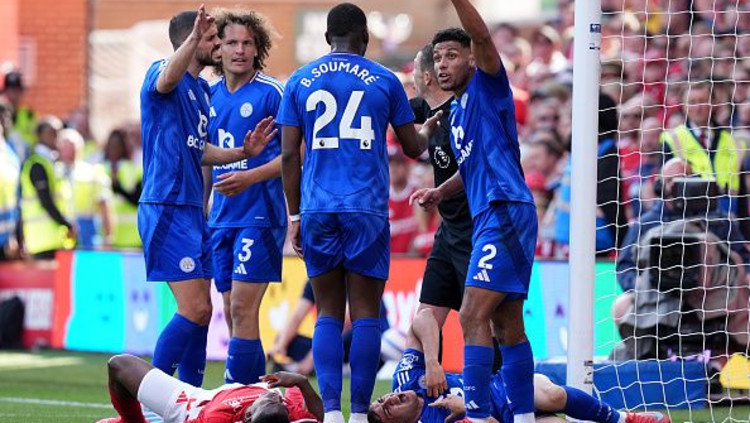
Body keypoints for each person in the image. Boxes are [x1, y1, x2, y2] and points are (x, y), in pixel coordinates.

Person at [278, 3, 442, 423]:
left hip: (317, 208)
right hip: (366, 208)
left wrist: (294, 217)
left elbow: (289, 155)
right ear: (365, 38)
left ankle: (332, 413)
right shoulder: (384, 80)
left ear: (327, 38)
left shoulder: (299, 80)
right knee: (366, 313)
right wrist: (429, 127)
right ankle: (358, 413)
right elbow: (413, 148)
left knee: (327, 313)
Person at [408, 2, 537, 422]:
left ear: (471, 59)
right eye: (438, 57)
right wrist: (440, 191)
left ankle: (477, 416)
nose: (443, 64)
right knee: (507, 325)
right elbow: (470, 167)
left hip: (504, 209)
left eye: (452, 55)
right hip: (490, 215)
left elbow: (481, 36)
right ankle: (523, 417)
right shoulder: (459, 112)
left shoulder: (488, 87)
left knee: (470, 314)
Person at [138, 5, 276, 387]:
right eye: (213, 38)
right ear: (192, 41)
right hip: (166, 207)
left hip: (192, 212)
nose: (220, 45)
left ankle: (191, 397)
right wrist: (191, 41)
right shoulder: (161, 72)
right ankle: (151, 396)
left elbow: (200, 149)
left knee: (204, 313)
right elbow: (167, 77)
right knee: (196, 308)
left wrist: (242, 153)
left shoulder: (200, 91)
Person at [366, 308, 670, 423]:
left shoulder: (406, 379)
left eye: (381, 399)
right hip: (506, 419)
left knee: (551, 394)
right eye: (388, 410)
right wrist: (468, 410)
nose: (390, 399)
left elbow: (423, 319)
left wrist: (432, 362)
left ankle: (624, 419)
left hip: (501, 386)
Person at [206, 8, 287, 386]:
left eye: (247, 43)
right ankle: (256, 393)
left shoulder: (271, 93)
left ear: (258, 49)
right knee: (229, 308)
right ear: (218, 48)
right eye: (232, 43)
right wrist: (202, 210)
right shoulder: (208, 95)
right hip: (220, 218)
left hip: (260, 215)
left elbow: (295, 155)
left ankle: (237, 393)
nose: (239, 50)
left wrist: (249, 177)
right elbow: (205, 158)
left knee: (242, 306)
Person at [408, 43, 473, 349]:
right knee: (425, 316)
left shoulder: (462, 114)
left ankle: (496, 377)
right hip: (448, 230)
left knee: (480, 319)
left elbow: (474, 169)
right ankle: (419, 374)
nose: (411, 79)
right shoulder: (425, 109)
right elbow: (387, 108)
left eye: (414, 71)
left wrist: (440, 191)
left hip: (475, 230)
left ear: (426, 77)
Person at [95, 354, 324, 423]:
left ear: (247, 416)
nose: (276, 398)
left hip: (190, 404)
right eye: (278, 400)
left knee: (119, 364)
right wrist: (301, 382)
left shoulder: (217, 417)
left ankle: (132, 421)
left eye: (268, 400)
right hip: (218, 397)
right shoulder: (284, 413)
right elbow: (317, 417)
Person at [20, 116, 76, 259]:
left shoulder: (53, 162)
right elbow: (45, 200)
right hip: (42, 240)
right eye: (51, 133)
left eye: (58, 132)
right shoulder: (37, 163)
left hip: (57, 238)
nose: (56, 137)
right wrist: (66, 224)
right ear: (39, 135)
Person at [58, 127, 113, 249]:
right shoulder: (55, 172)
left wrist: (108, 235)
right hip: (60, 229)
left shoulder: (92, 173)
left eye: (73, 146)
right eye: (66, 146)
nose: (70, 150)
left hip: (87, 229)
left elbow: (104, 205)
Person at [104, 128, 143, 249]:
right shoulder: (99, 169)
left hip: (133, 238)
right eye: (111, 145)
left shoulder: (135, 170)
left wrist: (118, 188)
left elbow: (138, 200)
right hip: (106, 238)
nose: (114, 149)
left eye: (117, 146)